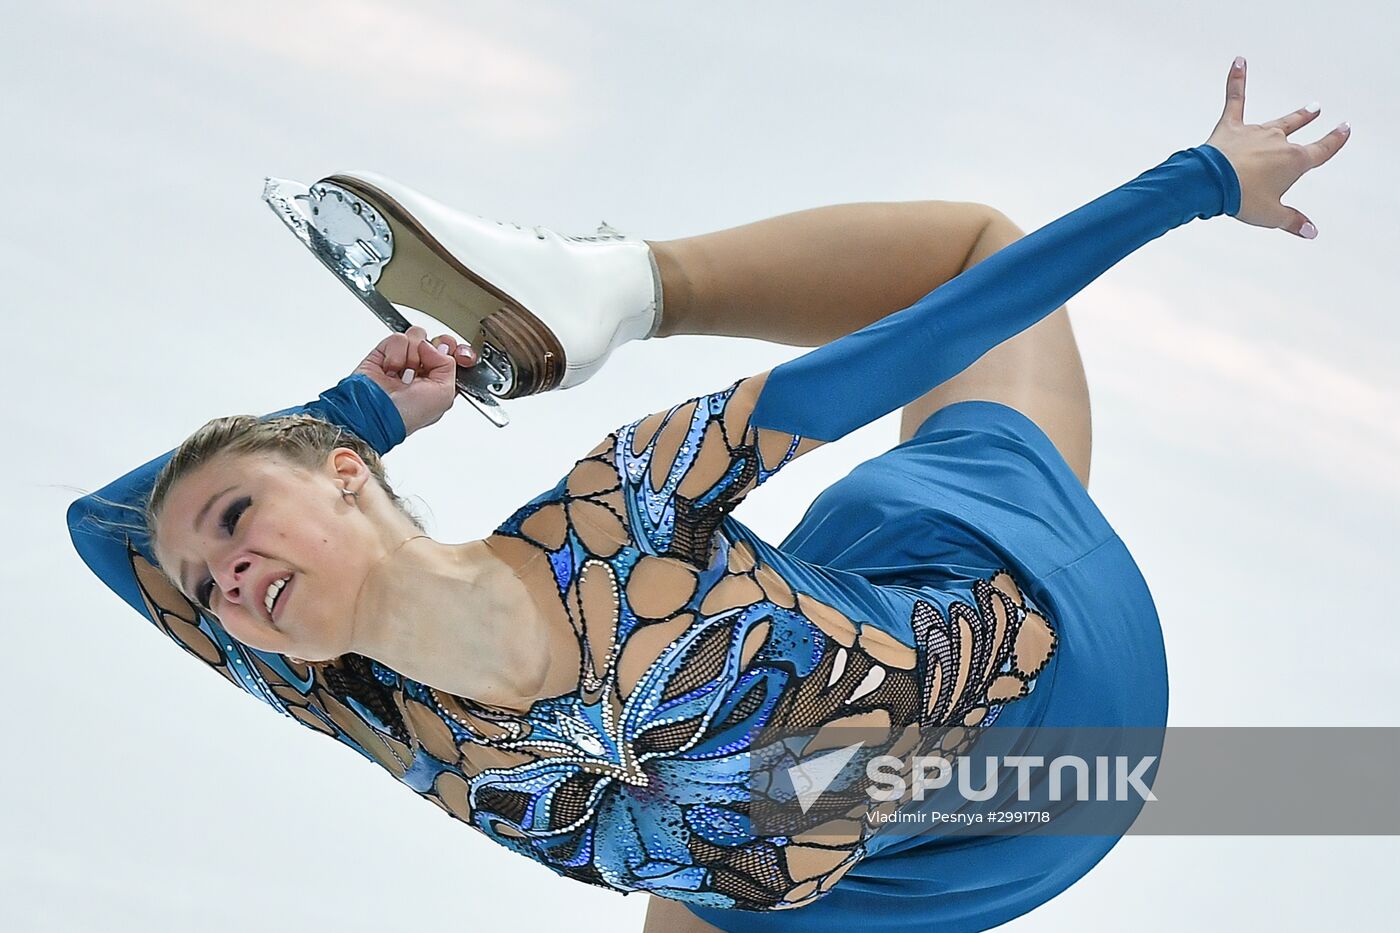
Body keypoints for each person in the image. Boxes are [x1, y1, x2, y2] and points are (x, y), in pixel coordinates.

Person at [67, 58, 1348, 933]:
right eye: (202, 585)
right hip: (876, 872)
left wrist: (1198, 180)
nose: (219, 577)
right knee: (728, 841)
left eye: (236, 521)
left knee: (971, 250)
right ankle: (615, 291)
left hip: (1053, 680)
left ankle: (626, 289)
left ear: (351, 484)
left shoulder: (622, 509)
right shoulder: (354, 702)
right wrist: (334, 438)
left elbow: (935, 325)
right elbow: (101, 533)